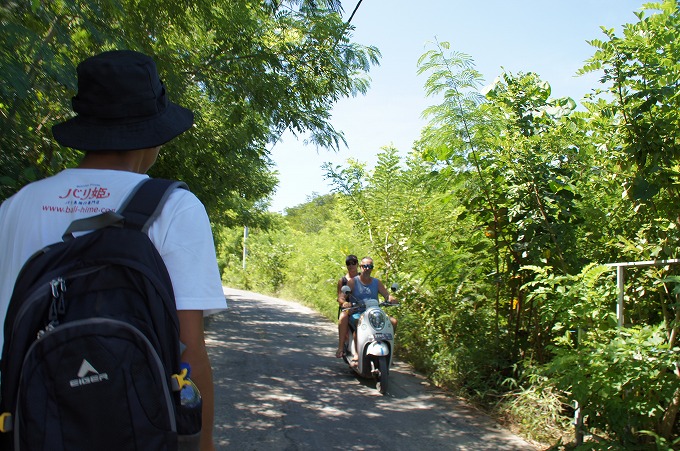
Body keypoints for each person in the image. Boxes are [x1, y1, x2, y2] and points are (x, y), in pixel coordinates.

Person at [0, 50, 226, 451]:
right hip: (131, 429)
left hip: (26, 424)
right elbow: (190, 350)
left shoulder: (16, 206)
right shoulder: (174, 208)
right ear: (153, 133)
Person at [337, 256, 397, 364]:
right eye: (365, 266)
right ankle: (357, 353)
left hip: (374, 313)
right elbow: (341, 297)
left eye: (370, 266)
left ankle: (390, 352)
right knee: (359, 325)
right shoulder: (353, 282)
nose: (367, 268)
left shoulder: (376, 282)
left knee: (393, 321)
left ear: (372, 268)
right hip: (358, 312)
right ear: (360, 267)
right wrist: (345, 302)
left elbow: (386, 295)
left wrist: (391, 298)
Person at [335, 254, 359, 358]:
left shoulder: (362, 278)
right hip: (349, 308)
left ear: (357, 264)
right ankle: (340, 348)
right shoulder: (343, 280)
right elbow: (339, 297)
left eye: (353, 263)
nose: (351, 265)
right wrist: (344, 303)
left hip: (362, 307)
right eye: (348, 263)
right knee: (343, 317)